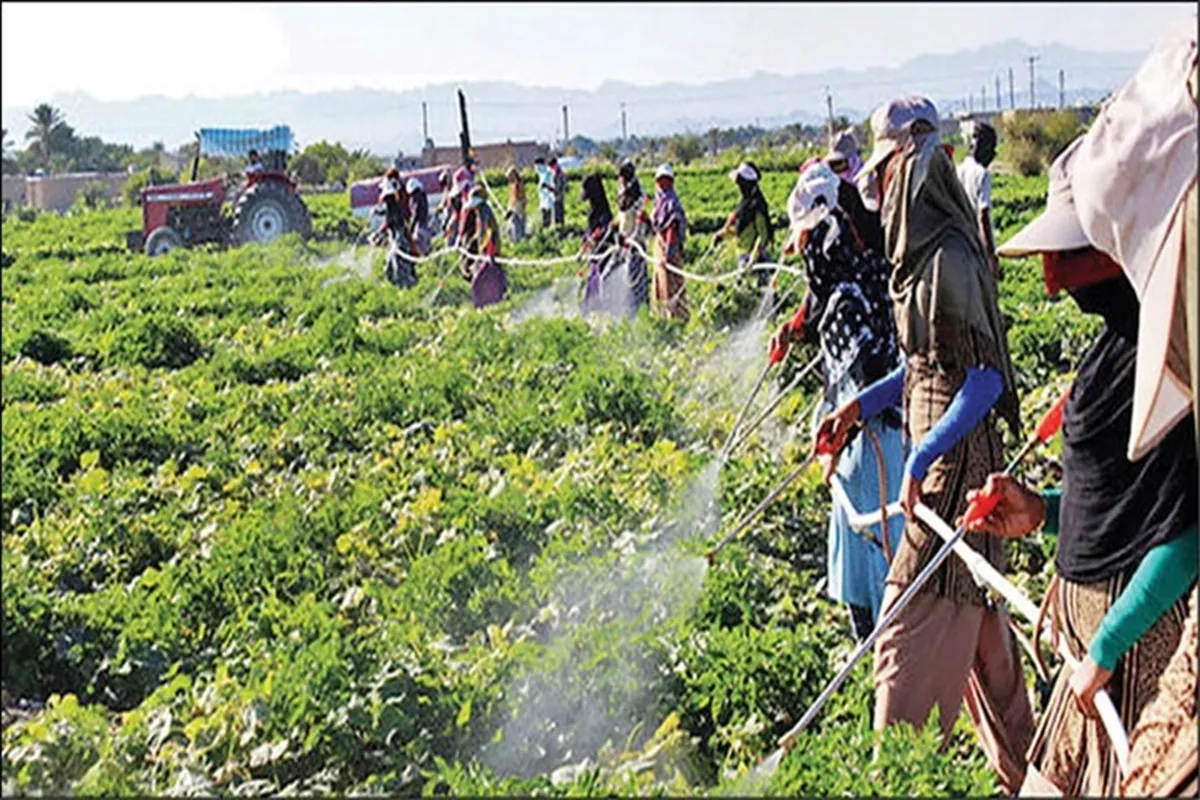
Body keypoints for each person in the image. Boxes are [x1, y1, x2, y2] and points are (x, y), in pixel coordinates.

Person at [963, 134, 1198, 796]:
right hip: (1092, 663)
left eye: (1069, 255)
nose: (1053, 278)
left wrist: (1110, 644)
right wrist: (1043, 511)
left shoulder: (1174, 359)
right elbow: (1128, 504)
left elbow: (1188, 528)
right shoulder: (1117, 350)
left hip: (1138, 662)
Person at [814, 96, 1033, 793]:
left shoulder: (949, 257)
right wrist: (858, 405)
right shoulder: (919, 255)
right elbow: (923, 369)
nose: (878, 190)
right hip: (947, 464)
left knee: (902, 641)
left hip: (955, 477)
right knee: (987, 649)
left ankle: (901, 782)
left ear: (912, 164)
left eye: (886, 173)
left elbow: (984, 380)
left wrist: (921, 453)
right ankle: (1036, 778)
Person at [769, 161, 906, 643]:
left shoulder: (842, 302)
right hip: (892, 437)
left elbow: (867, 380)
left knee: (868, 560)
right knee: (889, 550)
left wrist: (838, 436)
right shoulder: (871, 267)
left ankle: (877, 656)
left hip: (868, 449)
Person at [714, 162, 773, 286]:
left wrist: (753, 258)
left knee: (756, 291)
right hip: (743, 256)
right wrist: (721, 235)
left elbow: (763, 236)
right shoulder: (745, 204)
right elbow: (740, 230)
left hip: (756, 261)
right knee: (742, 290)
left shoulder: (757, 206)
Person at [956, 123, 1000, 282]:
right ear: (986, 148)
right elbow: (983, 216)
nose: (994, 154)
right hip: (976, 249)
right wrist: (991, 257)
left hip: (958, 246)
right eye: (992, 148)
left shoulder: (957, 170)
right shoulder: (982, 174)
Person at [648, 163, 689, 322]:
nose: (662, 184)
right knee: (660, 285)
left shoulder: (671, 202)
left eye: (666, 180)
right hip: (660, 246)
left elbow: (672, 227)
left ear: (671, 182)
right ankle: (662, 318)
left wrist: (668, 254)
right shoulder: (659, 201)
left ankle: (676, 321)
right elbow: (657, 226)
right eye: (660, 180)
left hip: (669, 250)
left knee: (671, 286)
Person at [457, 185, 508, 309]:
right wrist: (474, 239)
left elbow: (485, 231)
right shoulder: (479, 211)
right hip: (486, 247)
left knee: (483, 276)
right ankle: (495, 296)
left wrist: (482, 249)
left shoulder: (484, 211)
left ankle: (485, 300)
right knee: (490, 273)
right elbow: (480, 231)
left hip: (490, 247)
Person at [578, 173, 622, 315]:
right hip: (594, 253)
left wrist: (596, 238)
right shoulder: (592, 210)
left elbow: (605, 229)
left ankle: (604, 309)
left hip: (604, 252)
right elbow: (589, 230)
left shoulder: (604, 210)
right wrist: (585, 242)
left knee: (602, 280)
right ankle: (591, 308)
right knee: (592, 281)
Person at [615, 160, 651, 314]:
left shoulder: (636, 196)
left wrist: (632, 241)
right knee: (624, 276)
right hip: (624, 241)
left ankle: (637, 310)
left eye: (622, 177)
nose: (619, 180)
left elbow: (639, 222)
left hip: (635, 244)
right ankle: (627, 308)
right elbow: (621, 215)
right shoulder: (624, 192)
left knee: (634, 278)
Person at [375, 168, 418, 288]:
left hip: (400, 236)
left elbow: (394, 220)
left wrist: (380, 232)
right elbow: (391, 220)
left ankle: (407, 287)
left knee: (399, 264)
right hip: (398, 234)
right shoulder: (395, 199)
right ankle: (403, 286)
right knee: (391, 267)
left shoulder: (395, 200)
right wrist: (380, 232)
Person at [406, 177, 432, 256]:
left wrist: (411, 228)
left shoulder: (415, 198)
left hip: (419, 226)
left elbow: (415, 214)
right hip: (425, 224)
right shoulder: (423, 196)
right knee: (426, 249)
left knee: (419, 249)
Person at [505, 166, 527, 243]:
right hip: (513, 206)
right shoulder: (512, 184)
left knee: (517, 224)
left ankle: (518, 241)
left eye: (509, 176)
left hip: (517, 206)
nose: (509, 179)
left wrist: (516, 208)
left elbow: (520, 197)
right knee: (511, 225)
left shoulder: (518, 184)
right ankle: (514, 240)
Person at [534, 156, 555, 230]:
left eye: (538, 166)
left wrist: (546, 186)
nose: (537, 168)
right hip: (543, 199)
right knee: (544, 216)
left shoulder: (548, 172)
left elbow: (552, 186)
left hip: (549, 199)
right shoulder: (541, 174)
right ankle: (545, 229)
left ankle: (548, 229)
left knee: (548, 216)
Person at [550, 155, 567, 227]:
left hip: (559, 196)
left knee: (559, 214)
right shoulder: (556, 172)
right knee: (557, 213)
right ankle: (559, 226)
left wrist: (550, 188)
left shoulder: (559, 173)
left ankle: (560, 227)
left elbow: (559, 187)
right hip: (556, 196)